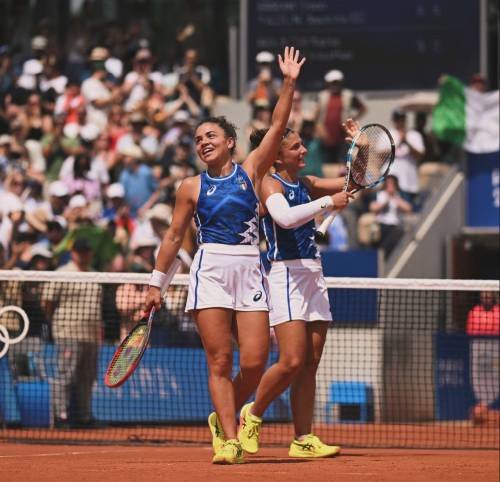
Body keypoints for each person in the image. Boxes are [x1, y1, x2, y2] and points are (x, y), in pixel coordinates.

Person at [144, 46, 305, 465]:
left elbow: (277, 125)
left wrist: (288, 82)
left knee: (255, 361)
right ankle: (230, 439)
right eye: (198, 139)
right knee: (219, 359)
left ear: (230, 142)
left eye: (210, 136)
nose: (203, 143)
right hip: (210, 269)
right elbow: (174, 237)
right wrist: (155, 284)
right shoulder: (189, 187)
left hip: (251, 269)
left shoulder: (251, 170)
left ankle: (224, 416)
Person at [236, 120, 356, 458]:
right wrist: (327, 203)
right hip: (285, 276)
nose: (304, 151)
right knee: (290, 360)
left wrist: (361, 147)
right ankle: (253, 414)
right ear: (276, 156)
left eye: (303, 145)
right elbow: (286, 219)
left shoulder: (308, 182)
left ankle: (303, 438)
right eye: (296, 147)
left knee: (311, 362)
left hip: (314, 274)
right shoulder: (268, 185)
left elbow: (356, 182)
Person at [41, 238, 102, 428]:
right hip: (68, 332)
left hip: (91, 335)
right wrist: (56, 324)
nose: (84, 254)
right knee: (65, 375)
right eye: (81, 251)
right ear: (73, 252)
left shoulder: (95, 274)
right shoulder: (63, 273)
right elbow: (47, 301)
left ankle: (84, 416)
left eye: (87, 251)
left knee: (87, 378)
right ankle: (61, 416)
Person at [315, 69, 367, 164]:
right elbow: (316, 116)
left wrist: (351, 120)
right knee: (325, 164)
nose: (335, 85)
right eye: (332, 83)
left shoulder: (348, 95)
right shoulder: (322, 96)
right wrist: (320, 130)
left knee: (343, 164)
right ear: (328, 83)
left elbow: (362, 108)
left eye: (337, 82)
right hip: (325, 138)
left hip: (343, 137)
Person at [369, 175, 413, 257]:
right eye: (388, 183)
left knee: (397, 231)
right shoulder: (379, 195)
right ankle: (382, 253)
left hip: (395, 223)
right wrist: (386, 199)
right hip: (382, 223)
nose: (390, 185)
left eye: (392, 183)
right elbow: (373, 208)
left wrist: (395, 198)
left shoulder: (399, 195)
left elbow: (408, 209)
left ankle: (384, 253)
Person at [389, 109, 424, 207]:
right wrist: (399, 142)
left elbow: (420, 155)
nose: (400, 122)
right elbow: (381, 155)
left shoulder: (415, 135)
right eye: (397, 119)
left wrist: (407, 142)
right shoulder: (388, 134)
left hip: (409, 183)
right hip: (392, 184)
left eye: (402, 119)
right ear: (393, 120)